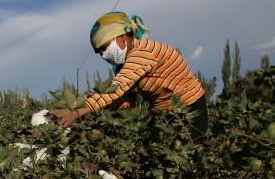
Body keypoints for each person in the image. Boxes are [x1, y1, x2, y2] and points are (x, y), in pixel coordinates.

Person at [50, 12, 208, 141]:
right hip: (163, 114)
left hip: (188, 110)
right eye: (99, 52)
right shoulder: (123, 66)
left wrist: (77, 112)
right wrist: (99, 104)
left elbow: (117, 88)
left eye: (104, 47)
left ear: (123, 37)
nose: (103, 55)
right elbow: (127, 100)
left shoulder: (143, 53)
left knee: (187, 157)